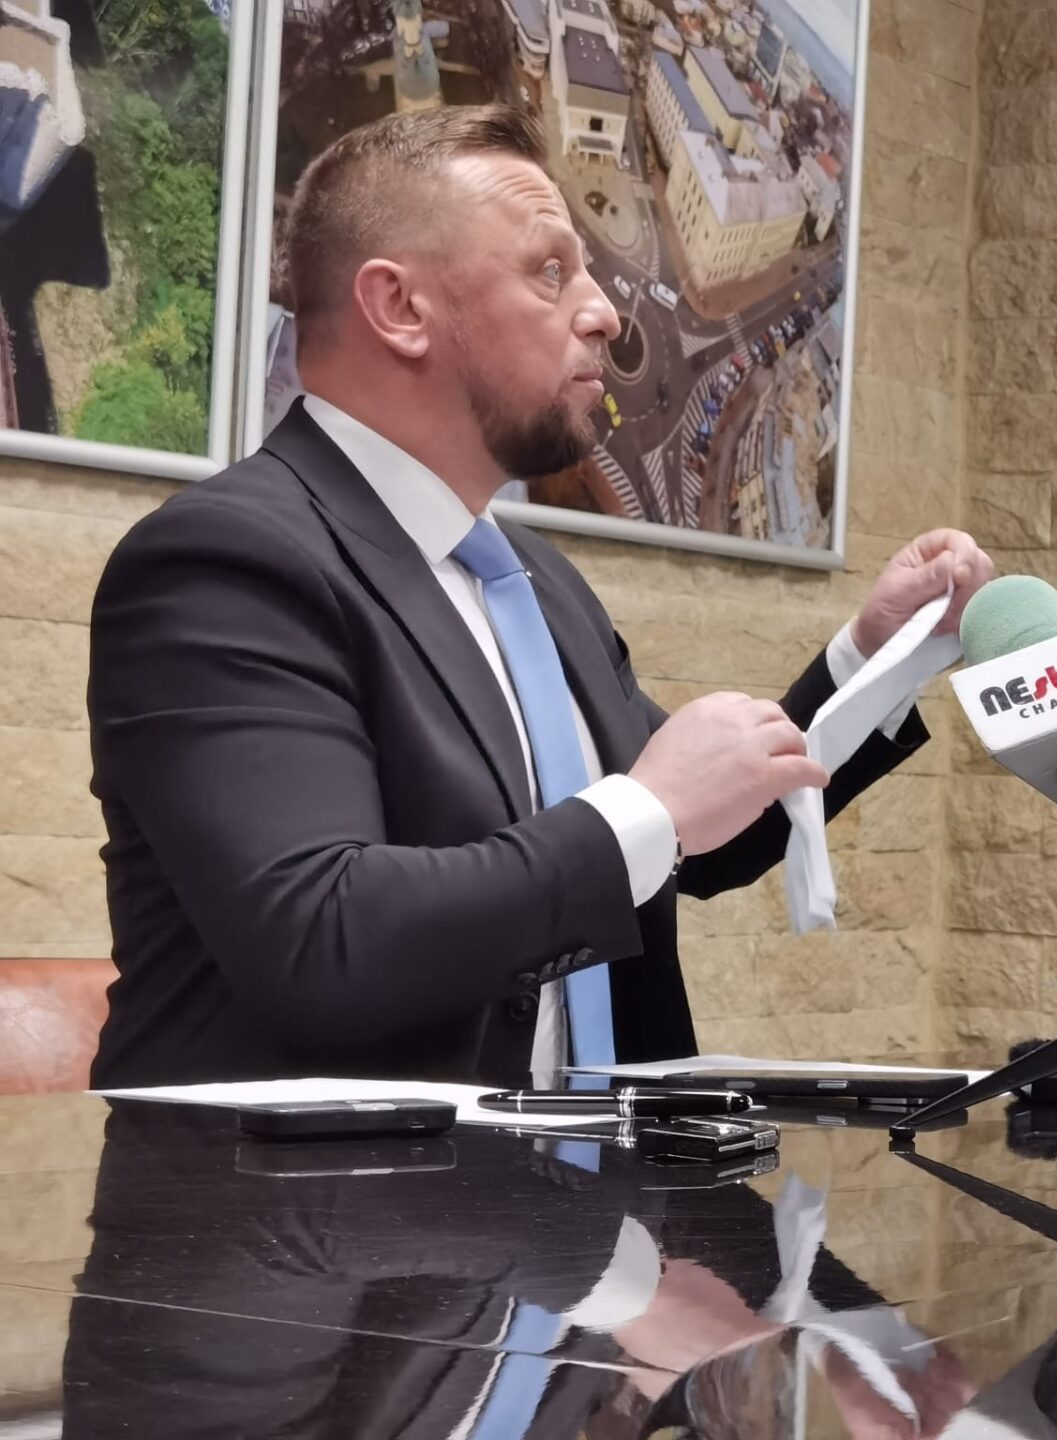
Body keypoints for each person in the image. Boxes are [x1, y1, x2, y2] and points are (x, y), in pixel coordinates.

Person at [84, 105, 991, 1088]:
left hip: (593, 1180)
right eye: (551, 270)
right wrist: (647, 805)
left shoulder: (531, 579)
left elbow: (704, 836)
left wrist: (871, 657)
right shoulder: (222, 563)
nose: (605, 313)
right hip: (332, 1187)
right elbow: (323, 938)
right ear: (399, 307)